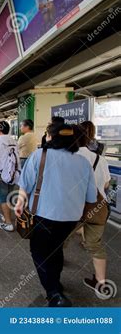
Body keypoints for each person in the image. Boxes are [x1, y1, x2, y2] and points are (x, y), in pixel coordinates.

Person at [15, 123, 97, 307]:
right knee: (56, 248)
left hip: (43, 216)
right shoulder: (83, 162)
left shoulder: (39, 156)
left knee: (39, 252)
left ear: (52, 138)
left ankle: (53, 293)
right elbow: (91, 197)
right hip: (71, 219)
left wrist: (20, 203)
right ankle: (56, 282)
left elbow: (25, 184)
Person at [75, 122, 112, 296]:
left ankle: (55, 285)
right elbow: (105, 184)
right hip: (98, 208)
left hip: (74, 208)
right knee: (95, 246)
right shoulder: (100, 159)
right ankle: (101, 283)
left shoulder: (71, 156)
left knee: (57, 242)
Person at [0, 121, 20, 232]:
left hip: (1, 175)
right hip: (12, 174)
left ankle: (8, 223)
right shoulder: (14, 141)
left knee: (3, 198)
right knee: (9, 196)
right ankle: (7, 216)